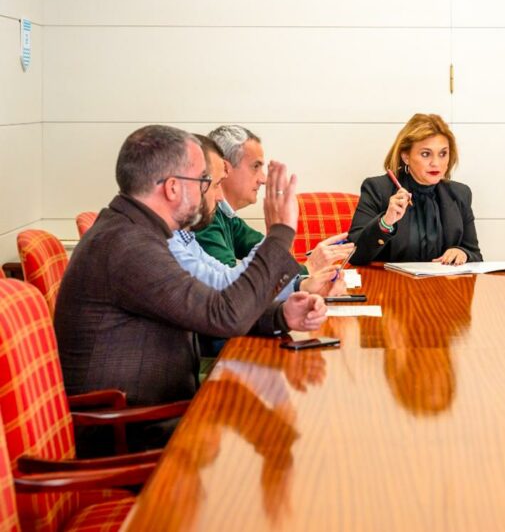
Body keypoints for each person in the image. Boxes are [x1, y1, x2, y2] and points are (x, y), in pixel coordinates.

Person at [55, 125, 327, 410]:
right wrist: (279, 234)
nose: (213, 194)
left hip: (159, 414)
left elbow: (209, 305)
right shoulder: (128, 246)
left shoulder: (136, 233)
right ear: (173, 187)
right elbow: (225, 316)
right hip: (134, 433)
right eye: (203, 181)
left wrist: (282, 315)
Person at [169, 134, 344, 300]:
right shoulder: (200, 224)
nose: (263, 178)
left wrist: (301, 285)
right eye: (255, 166)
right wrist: (279, 233)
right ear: (227, 168)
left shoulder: (194, 232)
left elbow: (231, 279)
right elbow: (235, 292)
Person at [197, 124, 354, 270]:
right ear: (224, 167)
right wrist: (310, 267)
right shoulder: (204, 220)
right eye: (255, 167)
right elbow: (234, 288)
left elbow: (275, 259)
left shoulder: (227, 216)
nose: (263, 179)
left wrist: (307, 268)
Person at [348, 113, 482, 266]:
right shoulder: (378, 188)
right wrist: (386, 222)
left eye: (443, 153)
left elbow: (475, 255)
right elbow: (355, 255)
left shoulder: (460, 193)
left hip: (445, 286)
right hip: (392, 286)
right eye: (426, 154)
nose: (436, 163)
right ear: (406, 156)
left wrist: (463, 253)